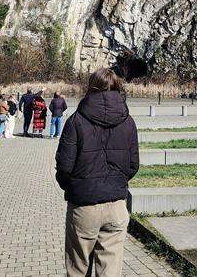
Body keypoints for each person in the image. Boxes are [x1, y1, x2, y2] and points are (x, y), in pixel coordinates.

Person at [55, 68, 139, 277]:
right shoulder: (128, 122)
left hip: (84, 207)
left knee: (78, 270)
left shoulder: (76, 121)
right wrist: (116, 182)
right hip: (116, 205)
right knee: (110, 272)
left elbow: (64, 167)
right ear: (118, 87)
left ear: (90, 88)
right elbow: (133, 165)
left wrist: (76, 187)